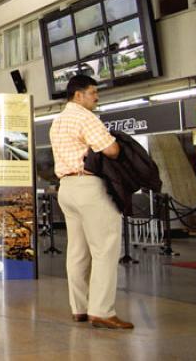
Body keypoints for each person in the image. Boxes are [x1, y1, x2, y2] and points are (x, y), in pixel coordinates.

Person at [50, 75, 132, 330]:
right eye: (93, 92)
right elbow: (111, 150)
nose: (96, 97)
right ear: (78, 95)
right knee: (105, 248)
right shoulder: (85, 117)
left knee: (77, 251)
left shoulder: (58, 121)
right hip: (88, 187)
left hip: (66, 188)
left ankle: (80, 308)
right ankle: (102, 311)